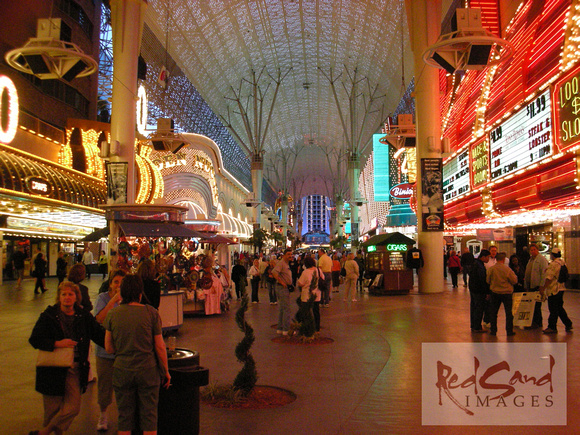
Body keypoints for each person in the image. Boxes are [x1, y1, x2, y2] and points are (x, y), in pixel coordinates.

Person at [28, 281, 105, 435]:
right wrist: (58, 343)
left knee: (73, 407)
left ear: (77, 297)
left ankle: (44, 432)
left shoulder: (83, 316)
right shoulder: (49, 316)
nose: (67, 297)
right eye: (64, 294)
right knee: (52, 408)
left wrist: (115, 342)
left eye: (71, 294)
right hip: (52, 368)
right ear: (59, 297)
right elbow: (35, 339)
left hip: (75, 367)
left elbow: (98, 334)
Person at [104, 274, 170, 435]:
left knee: (125, 417)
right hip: (147, 370)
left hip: (122, 370)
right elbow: (160, 346)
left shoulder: (113, 314)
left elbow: (108, 347)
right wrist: (165, 371)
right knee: (149, 415)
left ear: (122, 292)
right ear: (140, 293)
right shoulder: (151, 313)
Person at [93, 270, 126, 431]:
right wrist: (113, 300)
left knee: (124, 386)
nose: (118, 286)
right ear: (111, 283)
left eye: (122, 282)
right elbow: (99, 319)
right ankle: (103, 414)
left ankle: (124, 417)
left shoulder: (129, 300)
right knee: (105, 385)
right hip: (104, 351)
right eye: (116, 282)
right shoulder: (102, 298)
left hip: (124, 351)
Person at [540, 248, 573, 334]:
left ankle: (552, 327)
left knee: (553, 309)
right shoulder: (563, 263)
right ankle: (568, 323)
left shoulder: (553, 264)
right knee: (559, 308)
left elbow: (549, 278)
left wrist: (543, 288)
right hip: (561, 288)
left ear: (552, 255)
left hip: (554, 290)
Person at [486, 252, 518, 336]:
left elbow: (487, 280)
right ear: (504, 260)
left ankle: (493, 330)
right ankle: (509, 330)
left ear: (496, 259)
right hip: (506, 293)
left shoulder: (492, 269)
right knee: (508, 313)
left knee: (493, 312)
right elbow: (514, 280)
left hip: (495, 293)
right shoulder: (507, 269)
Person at [296, 256, 324, 332]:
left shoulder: (305, 272)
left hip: (307, 295)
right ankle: (317, 327)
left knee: (306, 312)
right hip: (317, 294)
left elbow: (300, 283)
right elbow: (323, 278)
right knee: (316, 311)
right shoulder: (318, 270)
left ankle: (306, 328)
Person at [524, 243, 548, 329]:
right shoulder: (530, 260)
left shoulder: (541, 260)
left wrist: (542, 286)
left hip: (537, 286)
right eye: (531, 250)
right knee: (531, 305)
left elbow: (544, 274)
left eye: (534, 250)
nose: (533, 251)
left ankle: (538, 322)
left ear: (537, 250)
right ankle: (533, 321)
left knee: (537, 306)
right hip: (530, 286)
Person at [272, 249, 294, 335]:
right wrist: (282, 282)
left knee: (282, 308)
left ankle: (280, 328)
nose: (290, 256)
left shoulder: (286, 264)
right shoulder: (281, 263)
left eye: (291, 254)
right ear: (284, 255)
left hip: (284, 287)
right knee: (286, 309)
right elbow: (274, 272)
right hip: (282, 288)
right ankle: (286, 329)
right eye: (288, 254)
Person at [468, 249, 491, 333]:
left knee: (474, 307)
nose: (488, 259)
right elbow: (482, 280)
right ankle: (477, 326)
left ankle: (474, 325)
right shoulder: (480, 266)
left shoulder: (475, 264)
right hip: (479, 291)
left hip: (473, 289)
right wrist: (486, 292)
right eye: (488, 257)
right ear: (483, 257)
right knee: (479, 308)